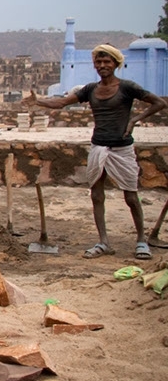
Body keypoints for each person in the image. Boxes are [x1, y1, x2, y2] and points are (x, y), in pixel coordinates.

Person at [24, 44, 166, 260]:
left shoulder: (127, 87)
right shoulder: (91, 90)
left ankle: (141, 241)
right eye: (98, 62)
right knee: (97, 195)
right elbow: (62, 102)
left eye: (107, 62)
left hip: (122, 147)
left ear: (116, 64)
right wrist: (38, 101)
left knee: (130, 196)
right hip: (99, 146)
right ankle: (103, 242)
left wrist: (134, 120)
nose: (102, 66)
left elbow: (158, 103)